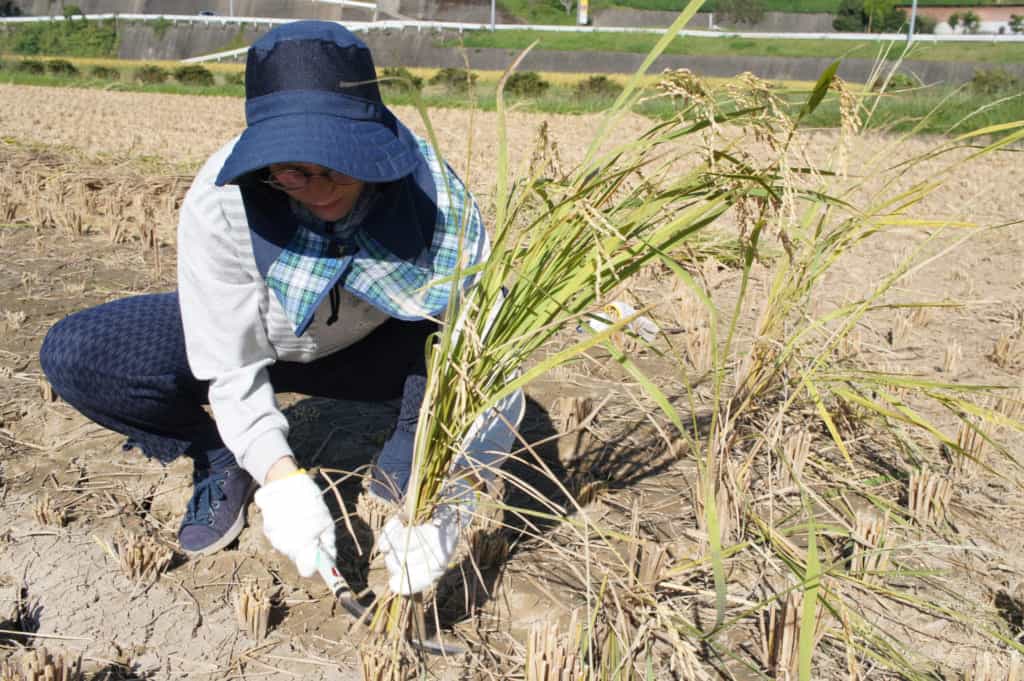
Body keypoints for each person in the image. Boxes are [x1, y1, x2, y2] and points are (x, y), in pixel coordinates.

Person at [39, 20, 523, 597]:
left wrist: (453, 489)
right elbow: (230, 362)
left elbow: (491, 357)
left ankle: (411, 453)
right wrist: (280, 477)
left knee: (413, 464)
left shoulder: (435, 197)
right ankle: (223, 461)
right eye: (291, 171)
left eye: (336, 166)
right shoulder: (223, 199)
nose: (316, 189)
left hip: (380, 351)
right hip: (269, 342)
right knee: (79, 353)